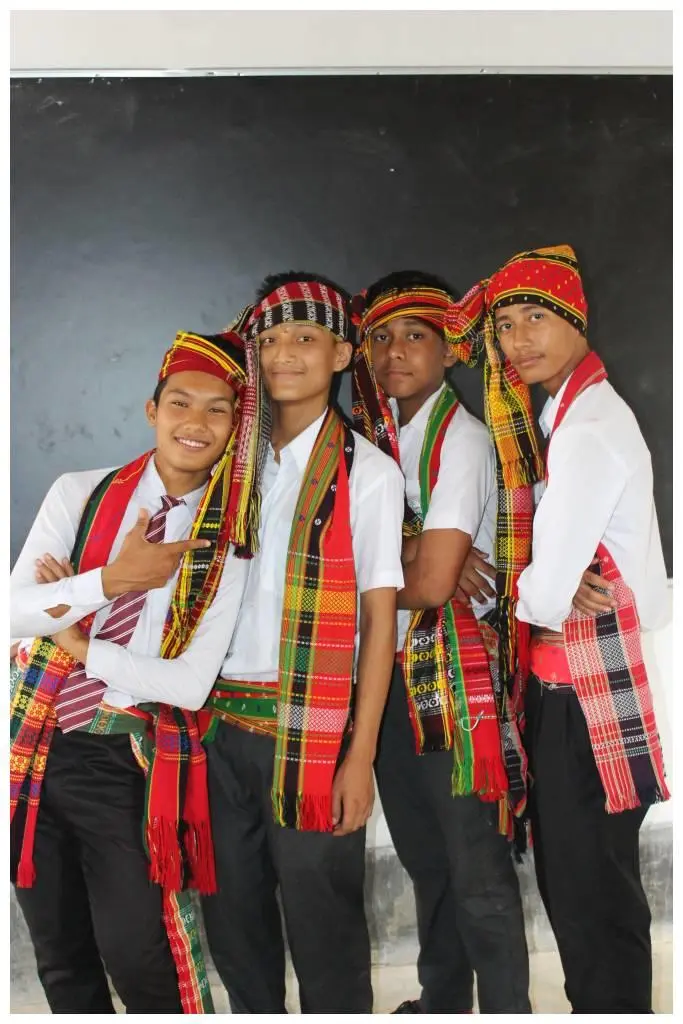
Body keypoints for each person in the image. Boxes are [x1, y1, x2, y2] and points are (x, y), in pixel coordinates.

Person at [446, 244, 670, 1013]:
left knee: (588, 895)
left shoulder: (585, 428)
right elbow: (545, 583)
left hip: (583, 699)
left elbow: (542, 598)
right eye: (504, 325)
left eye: (535, 318)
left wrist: (541, 581)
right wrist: (544, 578)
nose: (518, 340)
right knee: (589, 888)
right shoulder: (565, 414)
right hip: (571, 690)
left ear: (575, 319)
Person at [10, 326, 253, 1013]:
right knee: (60, 952)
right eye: (180, 402)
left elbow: (189, 685)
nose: (195, 422)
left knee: (141, 955)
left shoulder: (226, 542)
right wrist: (110, 582)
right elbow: (12, 614)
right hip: (32, 741)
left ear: (236, 426)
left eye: (217, 409)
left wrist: (79, 642)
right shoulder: (80, 494)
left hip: (125, 757)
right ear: (152, 410)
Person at [199, 272, 405, 1014]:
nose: (284, 353)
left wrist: (361, 754)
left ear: (342, 355)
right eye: (271, 339)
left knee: (324, 924)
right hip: (214, 725)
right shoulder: (225, 462)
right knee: (232, 917)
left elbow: (379, 621)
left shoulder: (366, 474)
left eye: (305, 338)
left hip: (311, 732)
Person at [351, 270, 531, 1014]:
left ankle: (508, 1009)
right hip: (386, 673)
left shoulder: (459, 439)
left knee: (475, 864)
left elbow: (429, 585)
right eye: (380, 338)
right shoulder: (372, 441)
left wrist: (407, 565)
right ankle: (443, 1002)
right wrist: (412, 554)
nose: (394, 352)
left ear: (451, 348)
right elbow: (412, 569)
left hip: (451, 676)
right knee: (427, 858)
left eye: (415, 336)